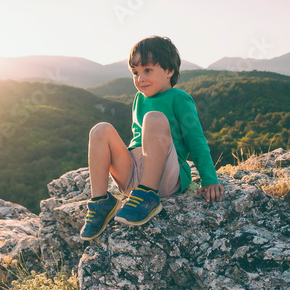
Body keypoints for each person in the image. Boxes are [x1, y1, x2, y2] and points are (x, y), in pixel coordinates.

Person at [80, 35, 223, 241]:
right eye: (135, 72)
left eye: (147, 70)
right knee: (100, 129)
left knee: (154, 118)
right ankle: (101, 201)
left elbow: (196, 140)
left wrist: (209, 179)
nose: (140, 79)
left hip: (165, 176)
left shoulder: (179, 98)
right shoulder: (139, 99)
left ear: (169, 71)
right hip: (133, 177)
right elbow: (137, 139)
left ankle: (148, 196)